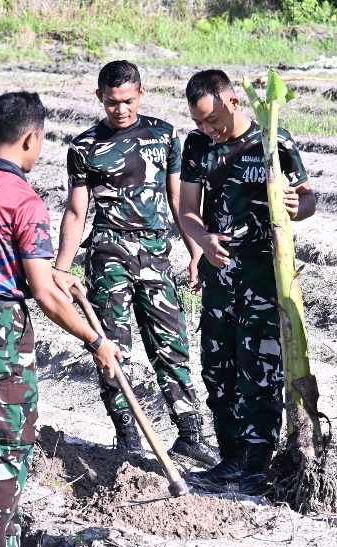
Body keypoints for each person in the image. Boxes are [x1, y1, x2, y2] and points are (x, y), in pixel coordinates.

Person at [0, 91, 122, 547]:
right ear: (31, 137)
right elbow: (42, 294)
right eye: (41, 141)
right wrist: (96, 340)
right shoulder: (24, 198)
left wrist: (50, 274)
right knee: (8, 449)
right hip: (0, 335)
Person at [55, 60, 217, 466]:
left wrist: (194, 250)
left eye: (127, 101)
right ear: (100, 98)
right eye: (112, 103)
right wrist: (61, 267)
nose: (120, 110)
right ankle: (127, 438)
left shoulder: (164, 135)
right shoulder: (84, 147)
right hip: (109, 255)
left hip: (156, 254)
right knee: (112, 349)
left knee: (172, 345)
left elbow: (178, 200)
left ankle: (189, 435)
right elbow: (77, 212)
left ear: (141, 94)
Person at [178, 70, 316, 494]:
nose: (208, 130)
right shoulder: (198, 146)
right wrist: (202, 241)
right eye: (199, 122)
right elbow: (186, 209)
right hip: (220, 278)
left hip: (263, 275)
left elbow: (309, 198)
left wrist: (297, 204)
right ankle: (231, 457)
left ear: (233, 102)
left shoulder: (273, 142)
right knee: (218, 369)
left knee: (260, 370)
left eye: (212, 120)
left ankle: (257, 463)